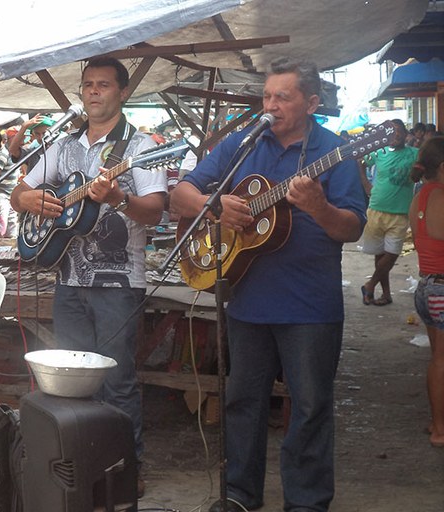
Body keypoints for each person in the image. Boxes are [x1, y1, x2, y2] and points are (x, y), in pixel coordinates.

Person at [170, 57, 366, 512]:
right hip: (248, 298)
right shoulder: (243, 144)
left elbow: (352, 228)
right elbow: (182, 192)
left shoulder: (336, 152)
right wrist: (214, 205)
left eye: (283, 97)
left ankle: (307, 501)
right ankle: (240, 493)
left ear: (311, 103)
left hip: (310, 305)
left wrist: (318, 207)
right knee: (242, 400)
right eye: (266, 96)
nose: (271, 106)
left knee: (311, 406)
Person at [10, 56, 167, 498]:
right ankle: (81, 468)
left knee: (116, 380)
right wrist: (29, 201)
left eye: (103, 84)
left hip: (118, 282)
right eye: (88, 85)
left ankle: (125, 471)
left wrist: (117, 198)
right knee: (70, 380)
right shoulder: (63, 146)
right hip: (68, 279)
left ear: (122, 93)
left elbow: (155, 211)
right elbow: (20, 191)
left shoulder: (141, 146)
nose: (94, 91)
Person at [409, 136, 444, 448]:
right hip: (441, 288)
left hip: (426, 287)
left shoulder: (419, 197)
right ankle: (439, 430)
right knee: (441, 361)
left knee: (438, 358)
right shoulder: (441, 198)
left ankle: (436, 422)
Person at [359, 119, 417, 307]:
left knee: (392, 253)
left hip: (400, 213)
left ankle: (369, 285)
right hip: (376, 208)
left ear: (406, 134)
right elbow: (360, 162)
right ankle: (385, 294)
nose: (396, 134)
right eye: (392, 131)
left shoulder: (414, 154)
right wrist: (366, 184)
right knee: (379, 254)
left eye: (399, 131)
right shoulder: (379, 152)